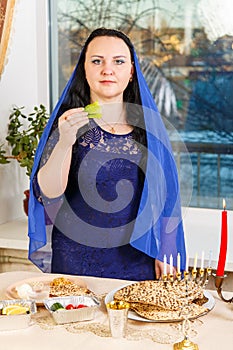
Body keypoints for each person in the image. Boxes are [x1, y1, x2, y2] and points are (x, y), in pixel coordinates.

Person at [28, 28, 186, 280]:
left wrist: (166, 249)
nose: (107, 69)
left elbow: (166, 196)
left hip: (138, 259)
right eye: (97, 61)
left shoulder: (149, 131)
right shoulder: (67, 124)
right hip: (75, 262)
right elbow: (48, 192)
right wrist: (65, 141)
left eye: (118, 61)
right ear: (84, 68)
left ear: (131, 71)